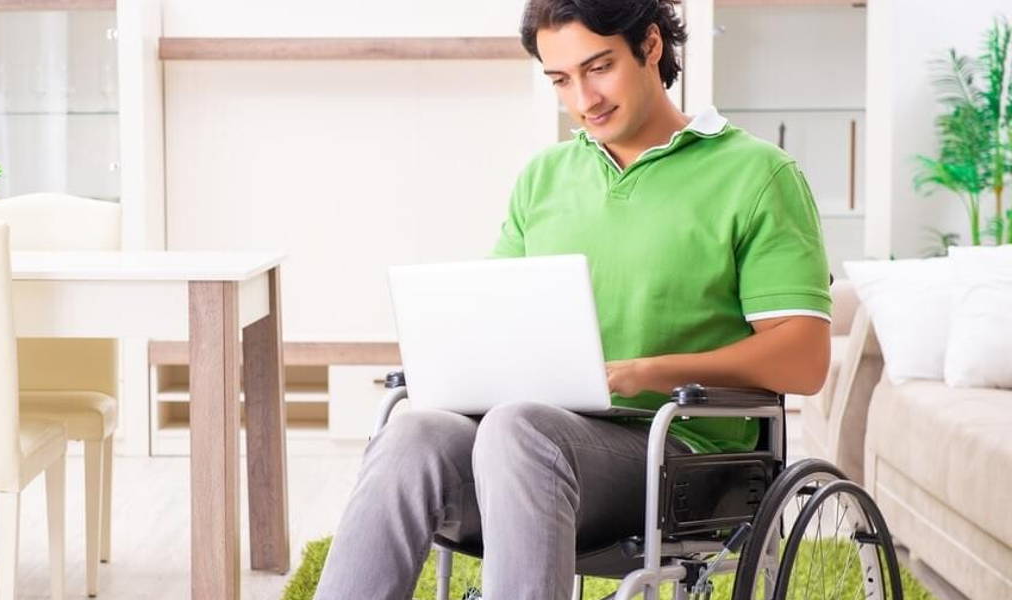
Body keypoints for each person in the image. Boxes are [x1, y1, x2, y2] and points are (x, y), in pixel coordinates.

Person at [313, 0, 831, 598]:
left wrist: (647, 372)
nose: (584, 99)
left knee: (518, 427)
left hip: (679, 453)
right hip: (524, 450)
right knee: (413, 432)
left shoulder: (756, 174)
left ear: (652, 46)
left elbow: (804, 356)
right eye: (561, 80)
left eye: (599, 67)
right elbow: (498, 318)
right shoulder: (545, 177)